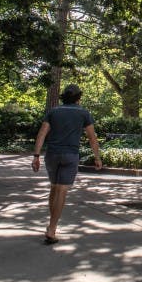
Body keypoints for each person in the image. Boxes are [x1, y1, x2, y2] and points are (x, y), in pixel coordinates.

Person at [31, 84, 102, 244]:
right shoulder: (83, 113)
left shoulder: (54, 112)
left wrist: (36, 155)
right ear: (78, 97)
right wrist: (97, 157)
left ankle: (52, 225)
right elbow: (92, 137)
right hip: (70, 155)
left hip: (52, 155)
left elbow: (42, 133)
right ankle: (52, 228)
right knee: (62, 190)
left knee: (54, 187)